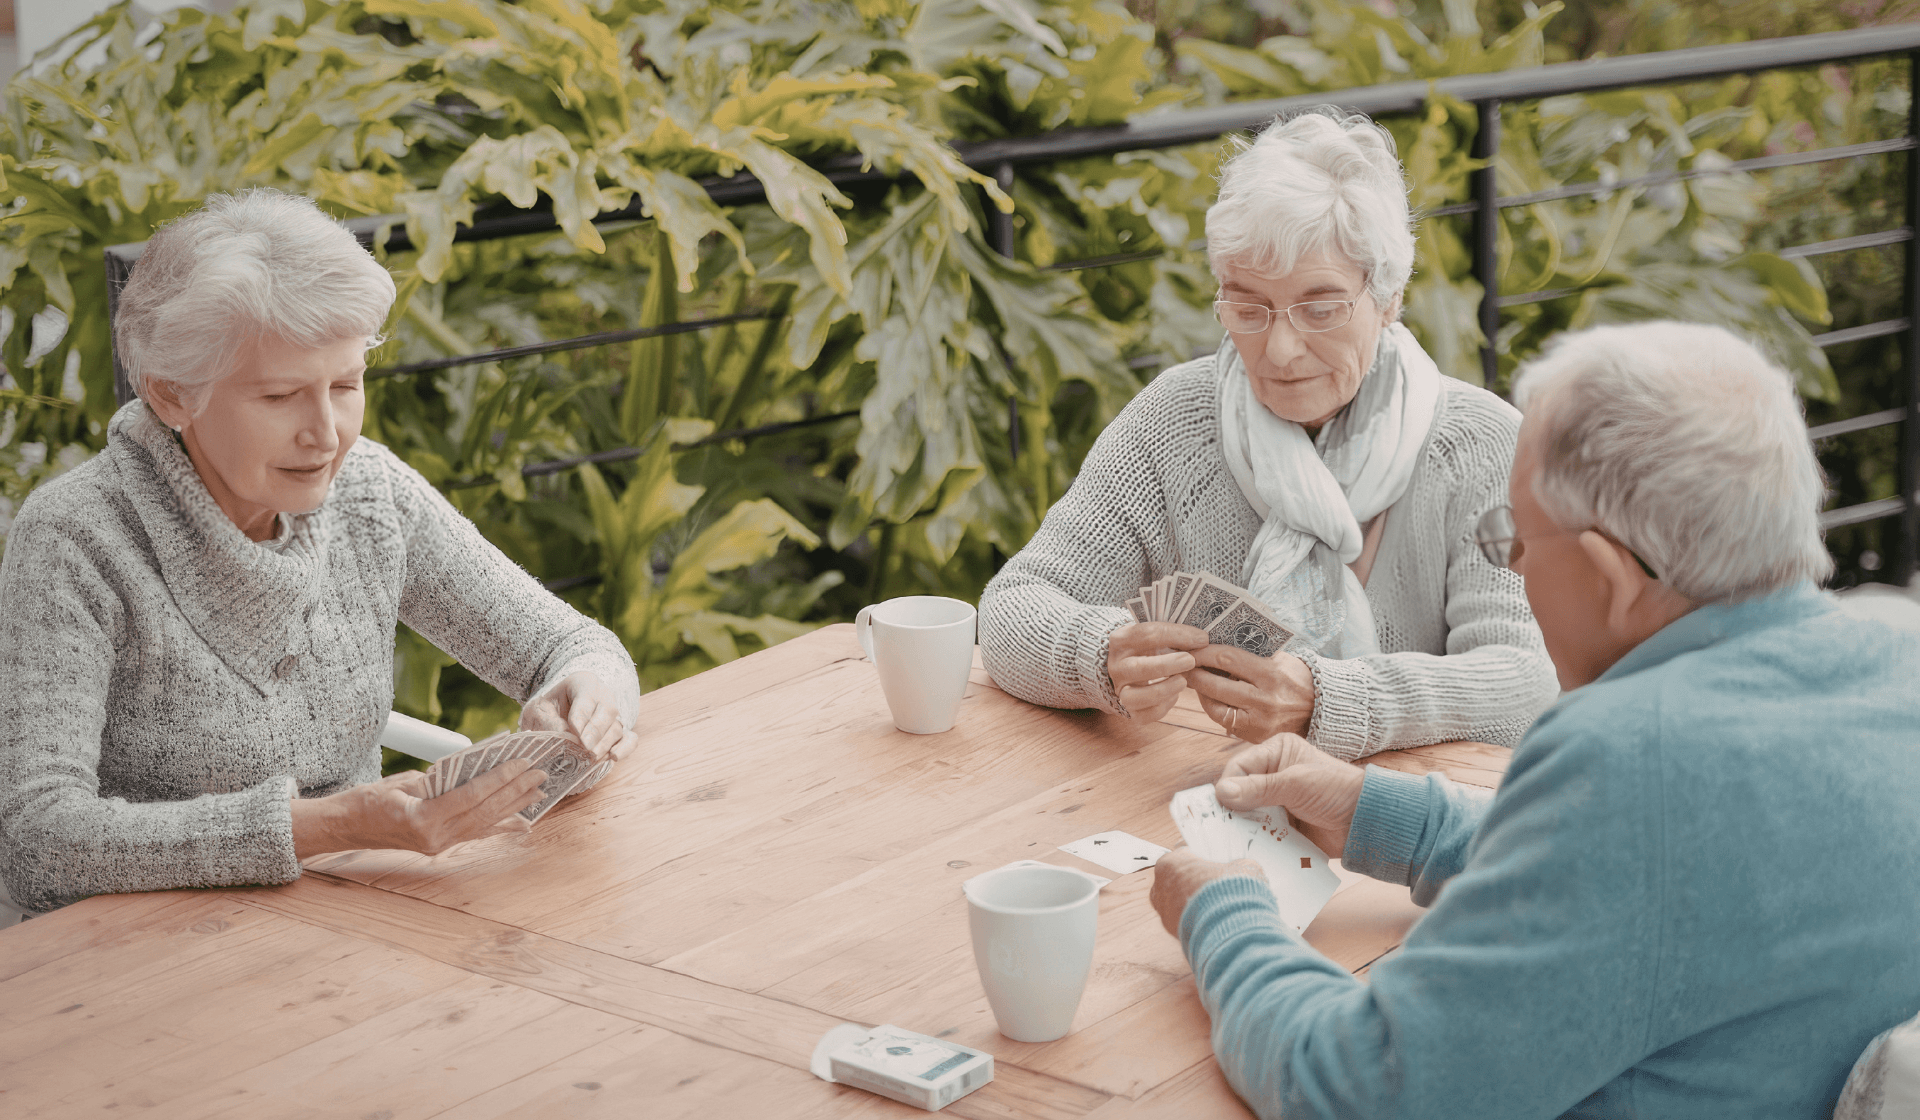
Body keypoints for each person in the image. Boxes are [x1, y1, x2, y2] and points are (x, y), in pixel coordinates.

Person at [1148, 321, 1920, 1119]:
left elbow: (1354, 1091)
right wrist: (1376, 812)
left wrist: (1226, 913)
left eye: (1516, 540)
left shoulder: (1629, 758)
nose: (1513, 565)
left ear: (1607, 574)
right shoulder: (1899, 653)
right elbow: (1662, 880)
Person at [0, 190, 642, 920]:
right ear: (173, 394)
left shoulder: (369, 491)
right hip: (128, 956)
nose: (327, 433)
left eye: (345, 384)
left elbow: (575, 645)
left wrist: (589, 696)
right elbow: (39, 842)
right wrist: (332, 825)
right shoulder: (75, 539)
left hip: (351, 922)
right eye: (280, 396)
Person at [978, 108, 1556, 758]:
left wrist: (1329, 701)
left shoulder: (1486, 448)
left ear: (1389, 296)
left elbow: (1527, 683)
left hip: (1412, 832)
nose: (1281, 349)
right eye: (1247, 306)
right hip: (1210, 810)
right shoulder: (1173, 420)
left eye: (1320, 307)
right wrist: (1101, 654)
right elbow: (1012, 607)